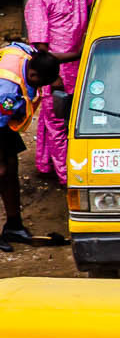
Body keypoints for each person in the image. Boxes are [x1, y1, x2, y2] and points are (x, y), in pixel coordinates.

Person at [24, 0, 96, 188]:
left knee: (70, 119)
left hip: (79, 70)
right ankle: (68, 178)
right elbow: (42, 49)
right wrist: (54, 76)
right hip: (55, 72)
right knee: (56, 122)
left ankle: (47, 165)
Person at [0, 42, 62, 249]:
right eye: (41, 83)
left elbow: (48, 56)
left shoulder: (29, 55)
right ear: (34, 76)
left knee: (10, 171)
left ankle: (14, 225)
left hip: (4, 123)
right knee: (1, 170)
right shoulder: (7, 90)